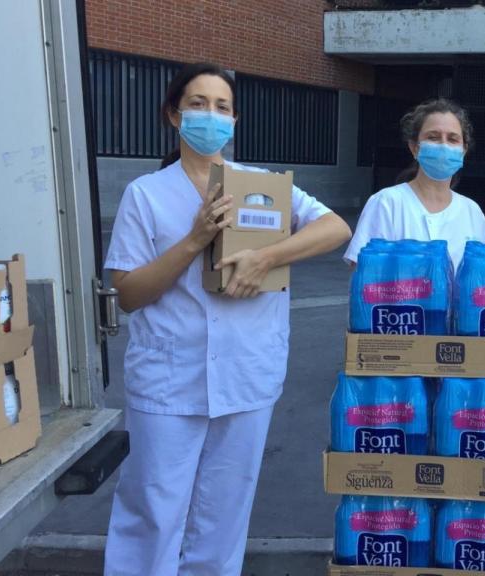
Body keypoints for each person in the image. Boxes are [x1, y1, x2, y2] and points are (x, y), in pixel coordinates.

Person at [102, 62, 351, 576]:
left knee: (223, 514)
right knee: (153, 512)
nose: (209, 116)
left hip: (245, 373)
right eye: (197, 104)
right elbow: (128, 293)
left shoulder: (264, 187)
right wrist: (194, 241)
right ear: (174, 115)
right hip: (169, 381)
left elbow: (336, 228)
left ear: (235, 121)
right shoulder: (146, 195)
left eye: (221, 107)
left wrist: (268, 257)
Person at [344, 98, 485, 269]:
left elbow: (482, 278)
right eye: (433, 137)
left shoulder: (472, 212)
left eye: (452, 139)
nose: (443, 145)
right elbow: (363, 277)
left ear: (463, 150)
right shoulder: (386, 203)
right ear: (415, 148)